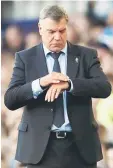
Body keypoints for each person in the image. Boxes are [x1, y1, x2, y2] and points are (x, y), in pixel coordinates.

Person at [4, 5, 111, 168]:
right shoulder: (25, 58)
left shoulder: (86, 55)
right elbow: (10, 99)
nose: (57, 37)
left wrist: (69, 84)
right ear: (40, 28)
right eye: (51, 32)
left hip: (80, 147)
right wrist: (40, 84)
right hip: (40, 150)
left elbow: (104, 88)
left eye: (62, 31)